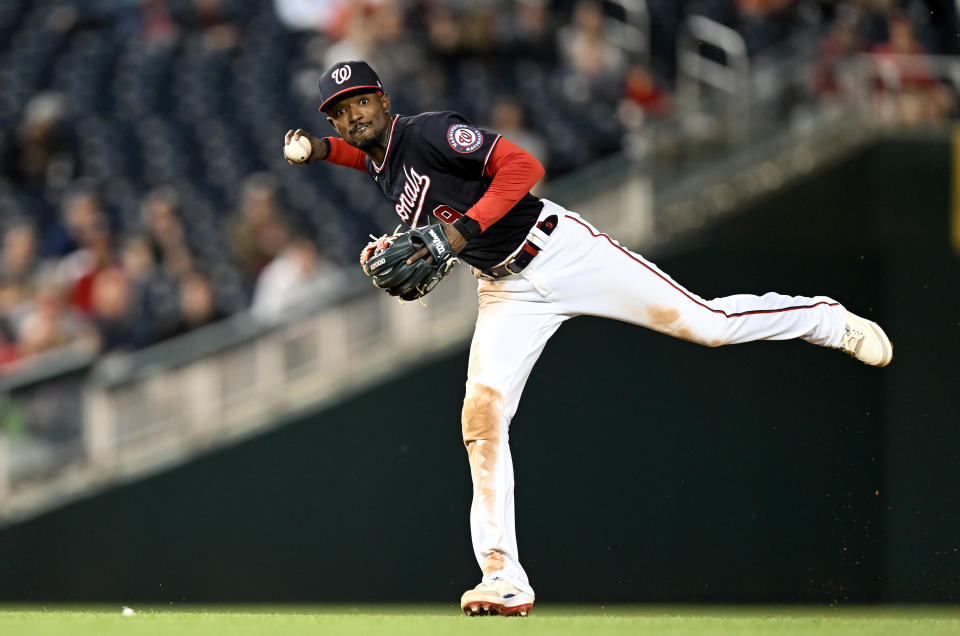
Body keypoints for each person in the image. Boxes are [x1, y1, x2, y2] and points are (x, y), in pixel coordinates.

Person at [284, 60, 893, 617]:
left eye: (360, 101)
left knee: (708, 325)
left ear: (383, 100)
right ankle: (503, 577)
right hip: (505, 290)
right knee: (481, 415)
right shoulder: (380, 159)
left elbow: (523, 168)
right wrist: (314, 148)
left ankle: (824, 319)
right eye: (338, 109)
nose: (351, 115)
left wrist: (457, 235)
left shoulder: (427, 132)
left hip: (562, 252)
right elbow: (355, 154)